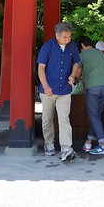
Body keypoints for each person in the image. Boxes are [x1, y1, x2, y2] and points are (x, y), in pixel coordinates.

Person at [37, 22, 81, 162]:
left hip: (64, 90)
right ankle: (49, 144)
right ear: (57, 36)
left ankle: (66, 148)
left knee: (64, 119)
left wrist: (73, 75)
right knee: (47, 118)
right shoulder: (47, 47)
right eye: (65, 37)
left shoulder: (73, 46)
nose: (68, 40)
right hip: (47, 91)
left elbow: (76, 63)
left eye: (69, 37)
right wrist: (46, 85)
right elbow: (41, 68)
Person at [78, 36, 104, 155]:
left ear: (82, 45)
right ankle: (88, 142)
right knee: (96, 116)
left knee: (94, 116)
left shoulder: (82, 56)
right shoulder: (101, 54)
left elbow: (77, 73)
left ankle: (103, 145)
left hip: (92, 88)